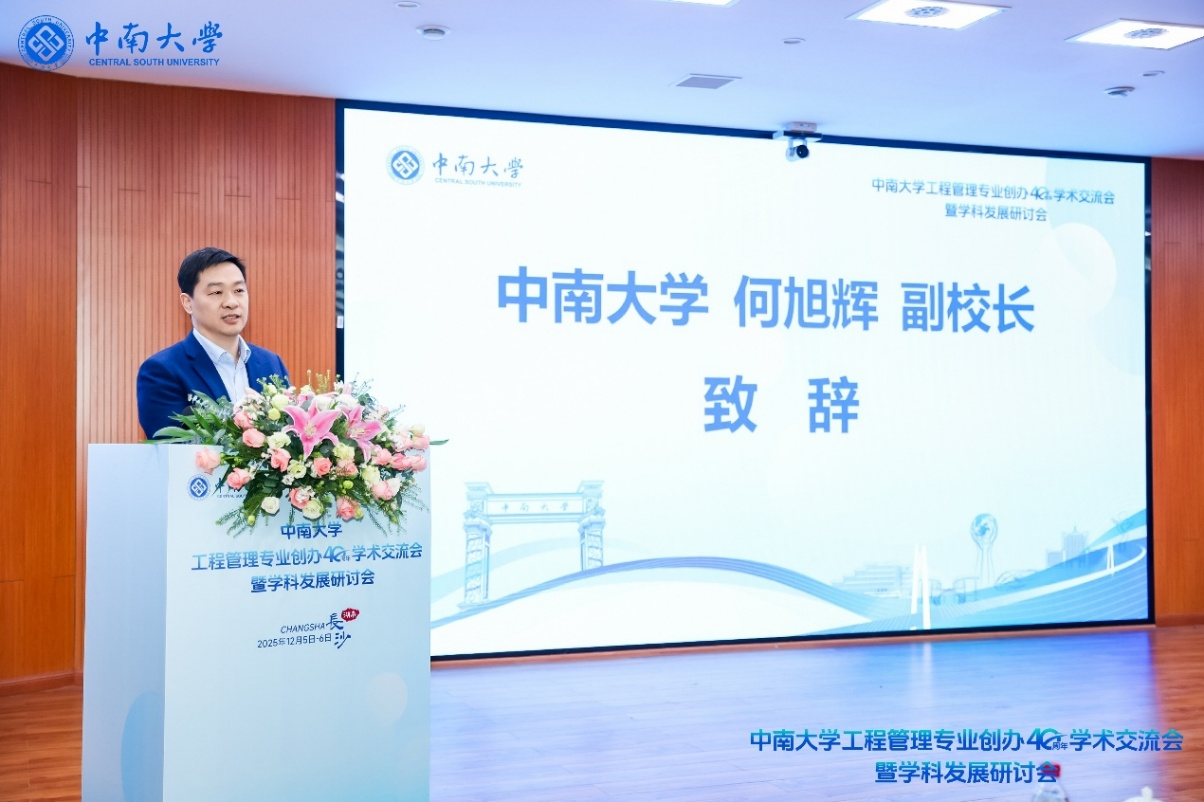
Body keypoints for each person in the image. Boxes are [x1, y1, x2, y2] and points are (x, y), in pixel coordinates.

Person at [136, 247, 289, 439]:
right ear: (188, 303)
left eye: (239, 290)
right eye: (216, 292)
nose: (231, 302)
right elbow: (172, 445)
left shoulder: (272, 364)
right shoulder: (162, 371)